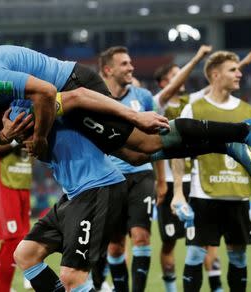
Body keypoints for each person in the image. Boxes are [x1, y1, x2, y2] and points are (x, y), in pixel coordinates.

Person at [0, 40, 251, 173]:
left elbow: (48, 92)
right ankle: (225, 144)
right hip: (60, 95)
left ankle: (244, 130)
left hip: (73, 84)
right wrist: (11, 133)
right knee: (133, 158)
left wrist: (36, 136)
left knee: (145, 143)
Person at [0, 97, 129, 291]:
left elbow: (57, 99)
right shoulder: (12, 120)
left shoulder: (25, 108)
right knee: (25, 254)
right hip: (73, 193)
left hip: (97, 187)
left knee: (72, 277)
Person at [154, 49, 251, 292]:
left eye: (239, 69)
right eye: (233, 70)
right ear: (215, 74)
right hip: (204, 195)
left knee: (238, 256)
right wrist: (179, 193)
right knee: (193, 253)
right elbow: (178, 152)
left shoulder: (248, 111)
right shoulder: (193, 106)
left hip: (238, 195)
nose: (240, 74)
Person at [95, 46, 166, 292]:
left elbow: (158, 141)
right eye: (124, 64)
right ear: (108, 69)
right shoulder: (95, 98)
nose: (131, 67)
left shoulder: (143, 97)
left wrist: (162, 181)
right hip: (109, 178)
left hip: (141, 174)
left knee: (141, 237)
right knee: (115, 246)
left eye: (130, 62)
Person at [0, 142, 32, 292]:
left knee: (20, 240)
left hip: (23, 180)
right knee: (13, 240)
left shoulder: (33, 120)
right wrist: (17, 139)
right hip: (2, 179)